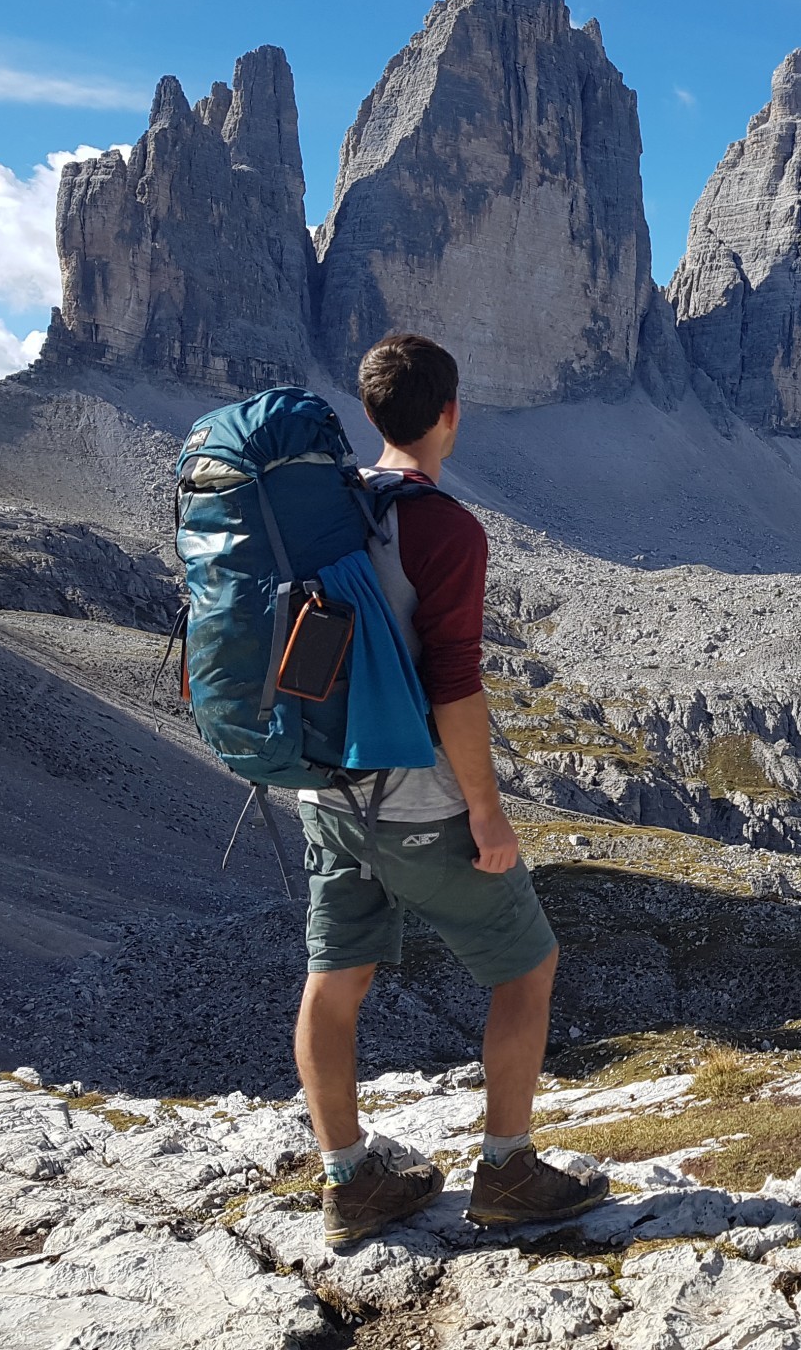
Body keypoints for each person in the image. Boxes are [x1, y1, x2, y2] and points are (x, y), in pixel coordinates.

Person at [293, 332, 606, 1248]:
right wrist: (487, 807)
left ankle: (351, 1180)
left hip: (321, 794)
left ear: (370, 412)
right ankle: (509, 1171)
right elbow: (456, 683)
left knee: (334, 976)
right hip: (417, 801)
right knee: (527, 968)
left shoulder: (325, 509)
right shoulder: (442, 525)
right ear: (450, 415)